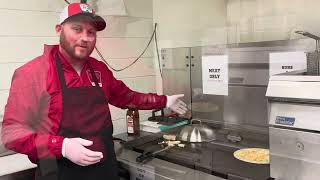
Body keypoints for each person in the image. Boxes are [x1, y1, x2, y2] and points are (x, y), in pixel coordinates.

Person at [1, 3, 187, 180]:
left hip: (103, 170)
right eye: (77, 29)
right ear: (59, 29)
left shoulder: (99, 69)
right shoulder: (33, 73)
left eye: (91, 32)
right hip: (59, 173)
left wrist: (164, 101)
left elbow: (127, 97)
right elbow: (12, 134)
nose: (85, 37)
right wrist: (62, 146)